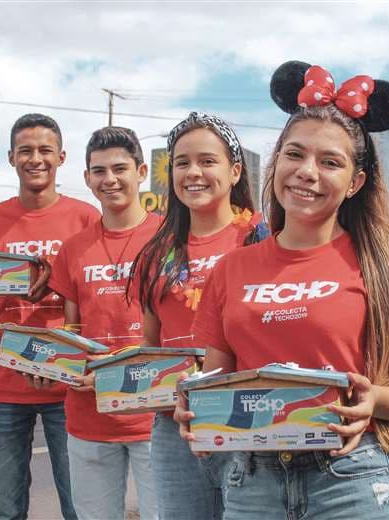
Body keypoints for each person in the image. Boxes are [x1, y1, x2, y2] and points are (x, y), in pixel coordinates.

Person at [175, 61, 389, 519]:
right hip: (252, 486)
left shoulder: (380, 265)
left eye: (330, 162)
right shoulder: (231, 269)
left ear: (355, 182)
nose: (307, 171)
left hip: (351, 480)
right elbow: (217, 383)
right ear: (277, 162)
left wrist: (374, 399)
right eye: (295, 154)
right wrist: (196, 408)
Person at [0, 113, 99, 520]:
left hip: (68, 380)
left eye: (44, 150)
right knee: (6, 509)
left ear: (61, 157)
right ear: (11, 157)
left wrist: (56, 284)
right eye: (25, 151)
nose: (35, 159)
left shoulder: (86, 218)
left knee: (79, 507)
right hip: (6, 382)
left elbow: (96, 294)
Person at [129, 112, 267, 520]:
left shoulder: (261, 239)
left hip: (246, 419)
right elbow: (150, 345)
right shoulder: (156, 253)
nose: (193, 173)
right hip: (175, 428)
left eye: (208, 161)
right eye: (182, 163)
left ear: (235, 170)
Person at [38, 126, 161, 520]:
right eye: (99, 171)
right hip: (89, 417)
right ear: (87, 178)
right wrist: (52, 364)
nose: (110, 179)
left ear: (141, 172)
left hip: (155, 416)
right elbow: (72, 329)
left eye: (120, 168)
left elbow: (176, 329)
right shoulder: (74, 249)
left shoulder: (169, 238)